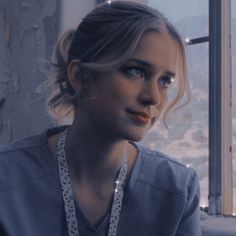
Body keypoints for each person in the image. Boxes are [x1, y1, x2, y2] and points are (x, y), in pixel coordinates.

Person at [0, 1, 201, 235]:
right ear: (79, 75)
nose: (154, 97)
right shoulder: (7, 178)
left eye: (165, 81)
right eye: (135, 71)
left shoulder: (177, 191)